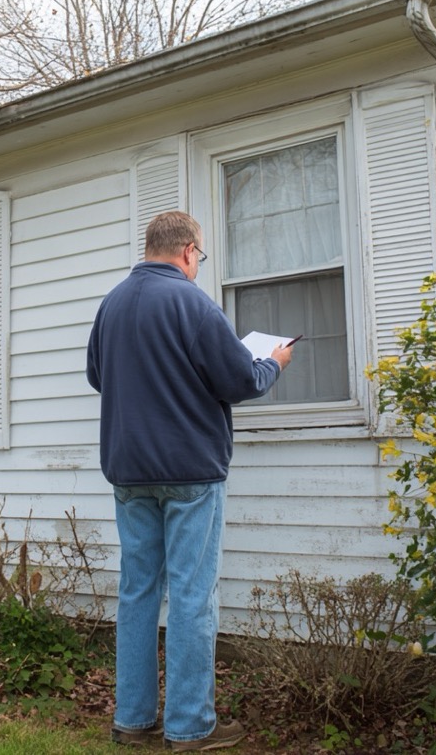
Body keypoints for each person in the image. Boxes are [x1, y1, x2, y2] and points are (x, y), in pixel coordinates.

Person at [86, 210, 293, 751]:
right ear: (186, 251)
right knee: (193, 598)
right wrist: (274, 361)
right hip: (190, 473)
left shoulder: (111, 304)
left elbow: (96, 376)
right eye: (198, 257)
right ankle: (189, 727)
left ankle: (132, 721)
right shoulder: (192, 303)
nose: (197, 265)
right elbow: (241, 379)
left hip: (129, 471)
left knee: (136, 594)